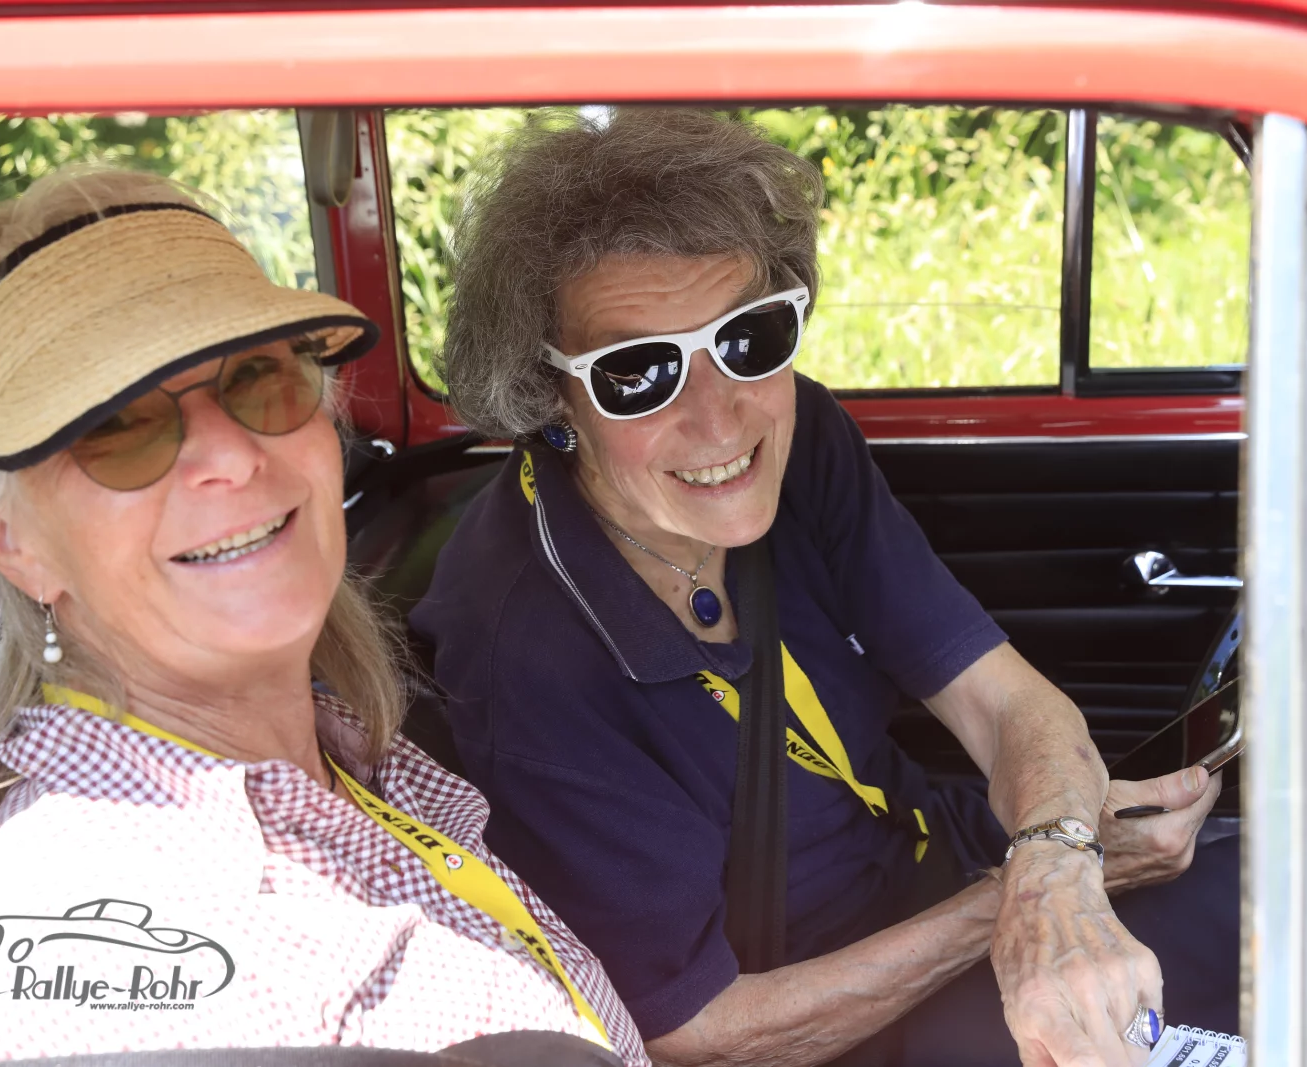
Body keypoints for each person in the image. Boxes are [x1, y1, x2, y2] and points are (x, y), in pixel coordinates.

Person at [410, 108, 1239, 1067]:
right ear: (550, 394)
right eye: (637, 372)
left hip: (951, 865)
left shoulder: (800, 441)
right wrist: (1018, 902)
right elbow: (698, 1034)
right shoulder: (527, 658)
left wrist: (1059, 864)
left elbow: (1003, 699)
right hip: (835, 1024)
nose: (720, 418)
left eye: (749, 336)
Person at [0, 167, 645, 1067]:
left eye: (257, 378)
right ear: (11, 542)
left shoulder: (340, 757)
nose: (231, 454)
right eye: (117, 425)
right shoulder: (113, 973)